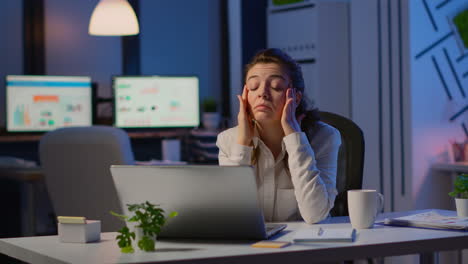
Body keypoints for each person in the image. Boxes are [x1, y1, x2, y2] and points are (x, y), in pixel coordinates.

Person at [216, 48, 341, 224]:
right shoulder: (227, 141)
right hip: (253, 248)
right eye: (253, 87)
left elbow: (315, 215)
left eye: (276, 86)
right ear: (245, 96)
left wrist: (294, 138)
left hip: (304, 247)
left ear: (296, 98)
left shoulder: (324, 137)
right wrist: (243, 144)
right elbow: (229, 217)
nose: (262, 93)